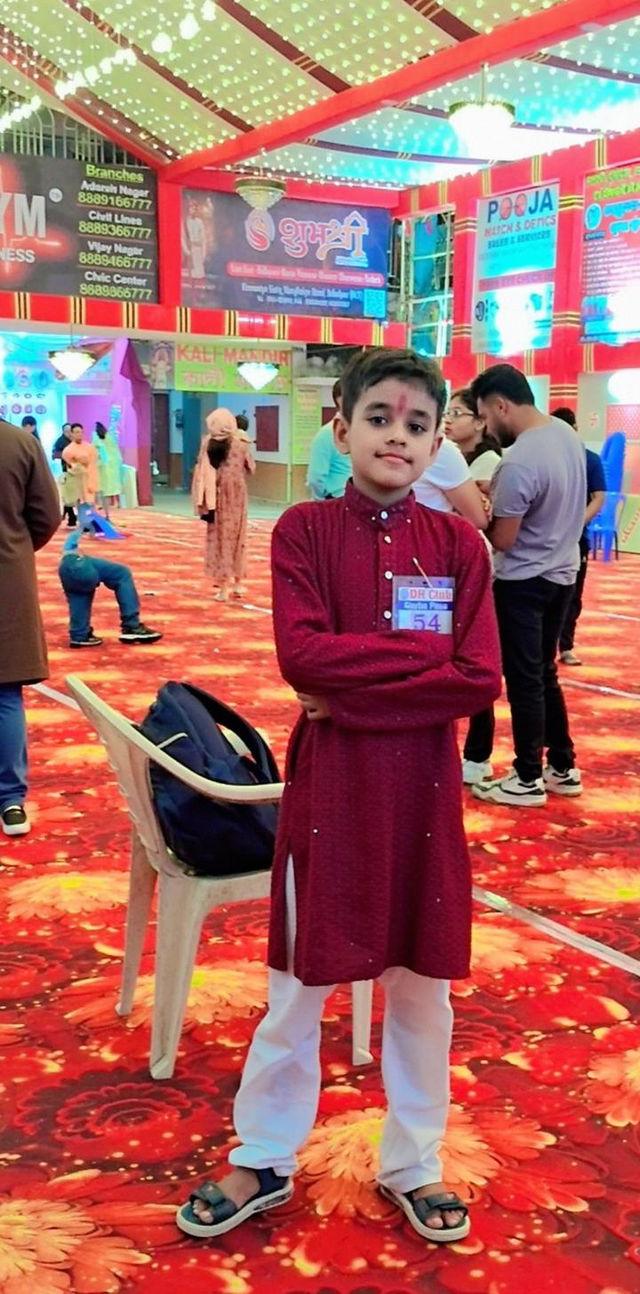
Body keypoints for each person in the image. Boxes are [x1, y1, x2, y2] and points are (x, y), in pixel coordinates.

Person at [176, 347, 501, 1246]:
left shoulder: (457, 546)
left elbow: (477, 680)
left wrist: (363, 686)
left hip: (425, 802)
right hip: (331, 795)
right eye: (380, 418)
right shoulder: (305, 534)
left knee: (424, 990)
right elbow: (302, 659)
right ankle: (265, 1153)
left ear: (438, 441)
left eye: (417, 423)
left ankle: (414, 1161)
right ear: (343, 426)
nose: (398, 436)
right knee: (294, 987)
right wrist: (418, 665)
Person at [470, 365, 586, 807]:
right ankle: (562, 765)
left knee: (524, 681)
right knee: (544, 674)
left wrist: (477, 513)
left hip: (523, 582)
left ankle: (527, 777)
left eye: (484, 415)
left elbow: (504, 538)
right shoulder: (563, 434)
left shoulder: (517, 460)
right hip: (562, 574)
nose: (486, 425)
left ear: (501, 405)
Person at [0, 417, 60, 835]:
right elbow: (47, 515)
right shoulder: (19, 443)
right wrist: (16, 548)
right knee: (5, 691)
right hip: (6, 579)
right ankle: (10, 800)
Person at [444, 388, 502, 785]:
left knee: (473, 660)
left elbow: (481, 516)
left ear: (481, 421)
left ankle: (477, 754)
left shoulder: (487, 461)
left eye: (458, 412)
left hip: (468, 565)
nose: (449, 419)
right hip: (440, 568)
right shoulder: (451, 454)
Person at [551, 408, 606, 667]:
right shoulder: (545, 458)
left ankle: (566, 646)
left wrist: (576, 522)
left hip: (576, 539)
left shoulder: (589, 459)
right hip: (545, 540)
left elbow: (599, 498)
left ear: (574, 429)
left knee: (572, 594)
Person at [192, 408, 255, 601]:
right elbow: (251, 468)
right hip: (237, 493)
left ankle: (223, 588)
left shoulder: (207, 443)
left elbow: (202, 469)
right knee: (238, 536)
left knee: (220, 538)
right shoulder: (241, 443)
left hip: (216, 494)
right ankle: (238, 583)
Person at [58, 532, 162, 647]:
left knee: (79, 594)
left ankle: (79, 635)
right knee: (122, 573)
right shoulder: (86, 521)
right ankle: (132, 626)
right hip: (81, 562)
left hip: (64, 567)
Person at [413, 434, 489, 530]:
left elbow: (479, 520)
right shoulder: (442, 449)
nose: (450, 421)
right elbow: (479, 520)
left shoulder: (440, 449)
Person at [306, 380, 351, 500]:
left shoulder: (365, 431)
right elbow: (315, 478)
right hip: (337, 498)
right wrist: (322, 502)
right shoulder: (326, 435)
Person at [61, 423, 100, 531]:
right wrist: (79, 463)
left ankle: (91, 522)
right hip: (77, 479)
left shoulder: (90, 447)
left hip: (90, 477)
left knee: (90, 501)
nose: (79, 434)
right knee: (81, 501)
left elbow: (94, 461)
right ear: (72, 434)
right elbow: (71, 465)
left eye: (81, 432)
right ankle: (84, 523)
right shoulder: (68, 450)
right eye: (76, 432)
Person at [93, 421, 123, 515]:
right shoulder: (110, 438)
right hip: (110, 467)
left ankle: (98, 511)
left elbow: (94, 451)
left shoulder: (97, 440)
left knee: (99, 490)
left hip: (101, 467)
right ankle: (108, 512)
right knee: (108, 490)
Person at [52, 423, 76, 528]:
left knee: (72, 495)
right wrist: (66, 456)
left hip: (77, 471)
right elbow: (55, 454)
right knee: (68, 495)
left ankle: (68, 514)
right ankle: (71, 517)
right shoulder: (60, 441)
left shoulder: (74, 441)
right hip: (66, 471)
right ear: (63, 431)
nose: (69, 432)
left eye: (70, 430)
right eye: (66, 430)